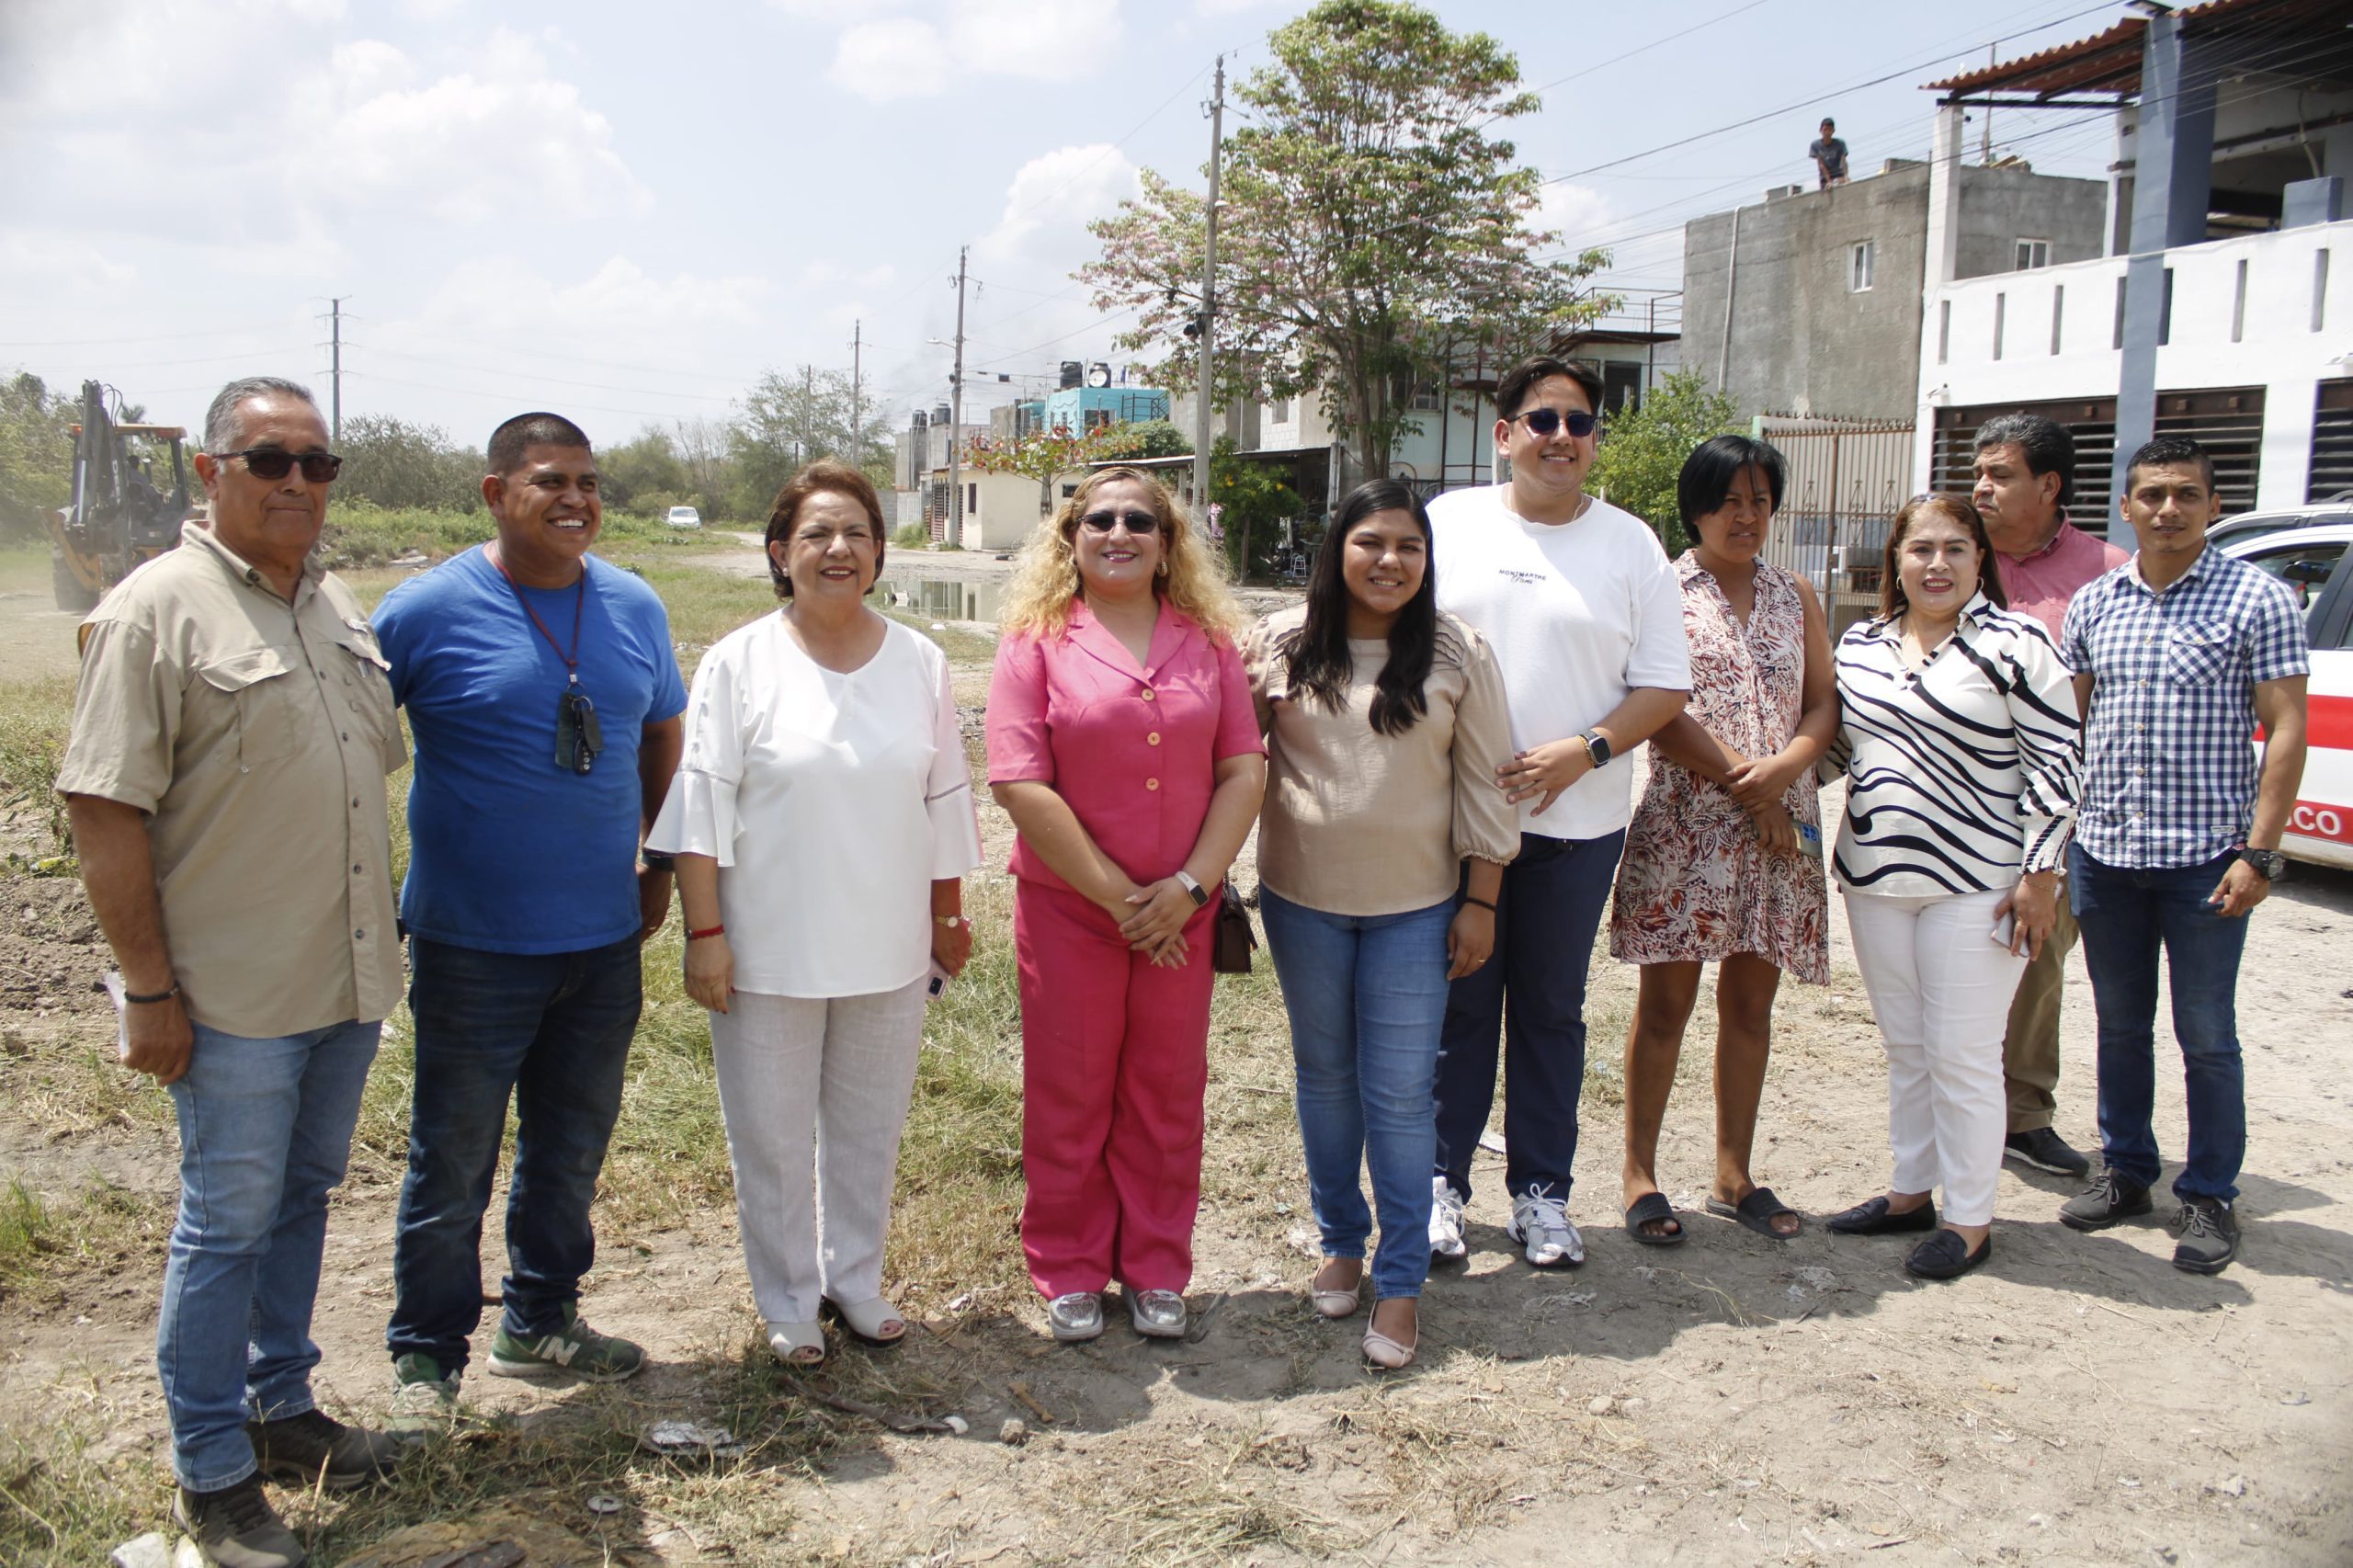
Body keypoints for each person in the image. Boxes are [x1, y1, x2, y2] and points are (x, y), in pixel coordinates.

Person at [59, 376, 404, 1568]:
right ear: (212, 472)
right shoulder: (156, 609)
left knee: (301, 1199)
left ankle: (281, 1405)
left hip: (342, 980)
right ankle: (212, 1468)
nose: (298, 481)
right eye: (270, 459)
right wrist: (149, 990)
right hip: (231, 996)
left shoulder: (333, 602)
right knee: (225, 1223)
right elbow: (104, 809)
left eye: (318, 462)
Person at [371, 414, 686, 1426]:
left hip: (601, 942)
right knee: (452, 1159)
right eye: (551, 480)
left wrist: (657, 858)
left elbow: (662, 731)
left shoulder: (632, 603)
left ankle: (541, 1320)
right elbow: (347, 740)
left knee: (570, 1148)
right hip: (473, 945)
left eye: (588, 482)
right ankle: (426, 1361)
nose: (575, 499)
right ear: (494, 492)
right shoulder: (423, 610)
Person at [646, 461, 981, 1366]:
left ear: (879, 553)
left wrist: (946, 914)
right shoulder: (739, 661)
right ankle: (788, 1297)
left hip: (888, 943)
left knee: (869, 1127)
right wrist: (705, 935)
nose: (839, 549)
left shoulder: (920, 661)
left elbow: (943, 797)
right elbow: (702, 807)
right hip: (768, 946)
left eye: (857, 533)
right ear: (778, 553)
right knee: (771, 1135)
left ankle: (855, 1279)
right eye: (817, 534)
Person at [986, 467, 1267, 1343]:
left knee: (1167, 1093)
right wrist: (1121, 902)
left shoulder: (1209, 641)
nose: (1119, 533)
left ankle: (1155, 1265)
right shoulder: (1036, 641)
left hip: (1183, 913)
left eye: (1140, 520)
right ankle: (1068, 1265)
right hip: (1071, 913)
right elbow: (1018, 781)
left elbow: (1243, 769)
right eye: (1099, 519)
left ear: (1168, 542)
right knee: (1070, 1092)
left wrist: (1189, 888)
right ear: (1069, 539)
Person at [1244, 480, 1518, 1369]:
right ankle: (1339, 1241)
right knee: (1325, 1079)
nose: (1390, 561)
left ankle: (1400, 1281)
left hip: (1416, 911)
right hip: (1302, 903)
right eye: (1371, 542)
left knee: (1399, 1095)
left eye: (1409, 545)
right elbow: (1232, 761)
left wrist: (1481, 900)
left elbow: (1487, 785)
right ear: (1338, 550)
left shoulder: (1456, 649)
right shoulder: (1278, 642)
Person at [1425, 356, 1691, 1269]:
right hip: (1454, 822)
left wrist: (1587, 749)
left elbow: (1664, 685)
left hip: (1577, 828)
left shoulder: (1631, 544)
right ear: (1505, 435)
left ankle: (1541, 1193)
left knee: (1549, 1009)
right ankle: (1439, 1184)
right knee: (1457, 1006)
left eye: (1579, 423)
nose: (1562, 437)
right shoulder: (1447, 523)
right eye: (1543, 420)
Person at [2056, 436, 2309, 1275]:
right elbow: (2070, 727)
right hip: (2106, 853)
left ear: (2213, 506)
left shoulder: (2257, 598)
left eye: (2187, 495)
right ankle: (2127, 1171)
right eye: (2153, 495)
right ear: (2125, 507)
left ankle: (2207, 1193)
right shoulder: (2095, 604)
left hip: (2208, 859)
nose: (2169, 509)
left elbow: (2286, 729)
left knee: (2206, 1033)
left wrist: (2260, 854)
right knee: (2120, 1024)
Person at [1824, 494, 2079, 1279]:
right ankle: (1911, 1192)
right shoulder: (1860, 644)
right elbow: (1839, 750)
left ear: (1980, 561)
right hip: (1875, 879)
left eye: (1956, 549)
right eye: (1921, 549)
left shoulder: (2018, 644)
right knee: (1906, 1047)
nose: (1937, 565)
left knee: (1962, 1054)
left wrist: (2041, 873)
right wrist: (1755, 778)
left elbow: (2059, 765)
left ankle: (1971, 1219)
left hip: (1981, 885)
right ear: (1895, 561)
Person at [1611, 437, 1835, 1247]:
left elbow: (1823, 704)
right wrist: (1751, 782)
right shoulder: (1661, 590)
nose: (1746, 517)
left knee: (1750, 1005)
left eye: (1760, 502)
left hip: (1779, 833)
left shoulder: (1794, 593)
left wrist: (1789, 770)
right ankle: (1639, 1173)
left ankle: (1734, 1174)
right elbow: (1657, 708)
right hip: (1689, 826)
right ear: (1696, 508)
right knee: (1666, 1005)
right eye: (1729, 501)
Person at [1972, 414, 2129, 1180]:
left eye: (2000, 475)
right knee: (1960, 956)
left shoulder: (2108, 572)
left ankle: (2025, 1114)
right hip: (1963, 801)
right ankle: (1956, 1108)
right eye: (1978, 474)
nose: (1982, 489)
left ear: (2049, 485)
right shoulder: (1957, 554)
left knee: (2038, 955)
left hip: (2059, 807)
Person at [1811, 119, 1850, 188]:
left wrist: (1846, 177)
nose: (1827, 132)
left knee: (1843, 184)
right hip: (1825, 178)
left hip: (1839, 174)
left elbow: (1843, 162)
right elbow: (1821, 165)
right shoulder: (1816, 145)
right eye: (1825, 130)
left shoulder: (1840, 143)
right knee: (1828, 188)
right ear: (1820, 130)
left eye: (1830, 130)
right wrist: (1829, 181)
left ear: (1833, 131)